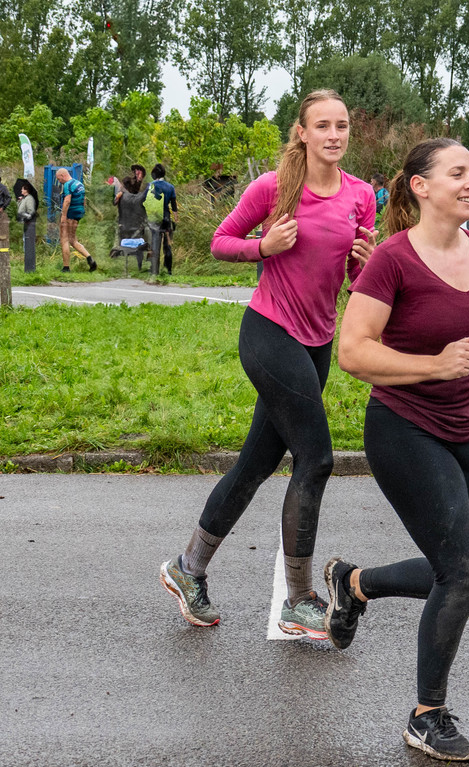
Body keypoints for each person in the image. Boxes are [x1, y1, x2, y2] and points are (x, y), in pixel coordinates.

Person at [324, 138, 469, 761]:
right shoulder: (392, 261)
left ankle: (355, 583)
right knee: (460, 571)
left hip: (465, 426)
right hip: (403, 428)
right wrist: (432, 364)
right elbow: (352, 351)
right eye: (458, 173)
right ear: (421, 186)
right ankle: (427, 714)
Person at [160, 89, 377, 639]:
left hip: (317, 341)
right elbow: (219, 241)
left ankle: (189, 569)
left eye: (342, 126)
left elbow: (354, 284)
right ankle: (300, 598)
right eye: (322, 125)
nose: (334, 135)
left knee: (257, 463)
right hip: (268, 333)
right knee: (317, 456)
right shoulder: (275, 188)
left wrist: (365, 266)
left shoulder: (359, 197)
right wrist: (265, 247)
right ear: (301, 132)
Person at [56, 168, 97, 273]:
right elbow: (83, 200)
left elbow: (67, 200)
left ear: (63, 175)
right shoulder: (79, 184)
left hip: (70, 214)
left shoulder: (67, 185)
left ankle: (66, 268)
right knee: (73, 240)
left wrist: (63, 216)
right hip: (78, 214)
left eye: (59, 179)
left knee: (64, 239)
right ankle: (90, 259)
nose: (59, 181)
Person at [144, 163, 178, 275]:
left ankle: (154, 270)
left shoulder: (150, 186)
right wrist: (176, 220)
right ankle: (169, 270)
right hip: (166, 219)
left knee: (155, 244)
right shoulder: (170, 187)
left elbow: (144, 201)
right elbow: (174, 206)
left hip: (154, 219)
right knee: (167, 245)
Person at [113, 175, 150, 269]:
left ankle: (116, 251)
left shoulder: (121, 198)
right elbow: (146, 193)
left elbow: (114, 200)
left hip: (124, 237)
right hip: (138, 236)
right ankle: (147, 259)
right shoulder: (139, 198)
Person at [16, 180, 39, 272]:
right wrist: (20, 201)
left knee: (27, 242)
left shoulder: (29, 199)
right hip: (24, 222)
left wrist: (25, 217)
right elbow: (20, 209)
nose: (21, 190)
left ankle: (29, 265)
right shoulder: (25, 198)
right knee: (24, 240)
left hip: (28, 222)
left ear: (26, 190)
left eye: (22, 189)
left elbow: (30, 211)